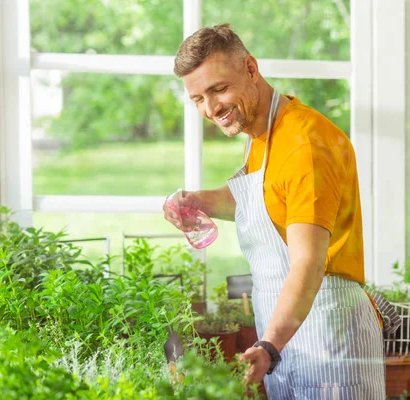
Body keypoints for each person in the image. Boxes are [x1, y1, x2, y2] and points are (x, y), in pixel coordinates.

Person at [164, 23, 385, 399]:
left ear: (251, 69)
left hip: (327, 332)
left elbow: (308, 262)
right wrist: (198, 201)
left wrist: (267, 345)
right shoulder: (261, 133)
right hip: (287, 333)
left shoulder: (305, 143)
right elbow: (265, 200)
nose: (211, 108)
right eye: (198, 98)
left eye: (218, 89)